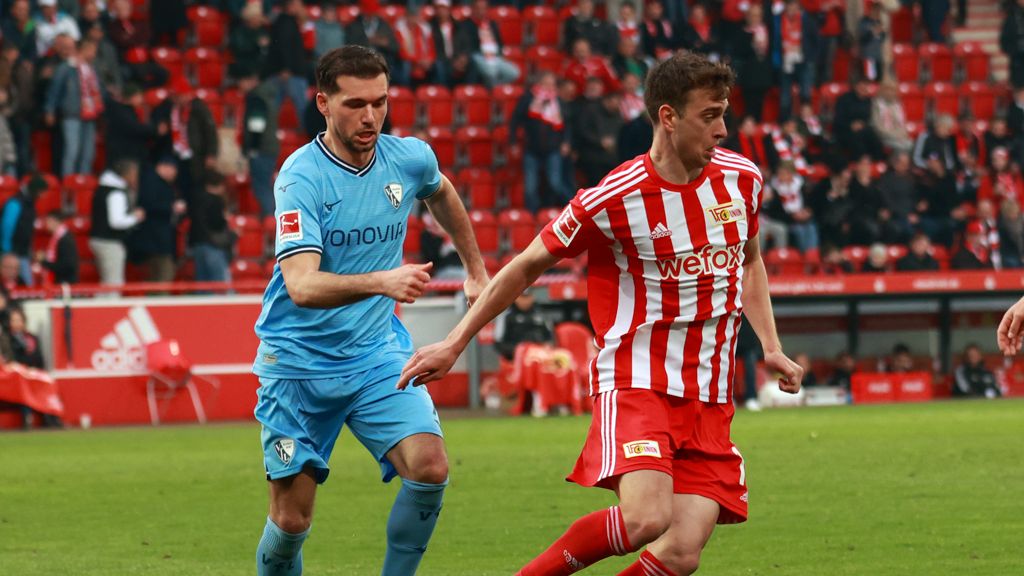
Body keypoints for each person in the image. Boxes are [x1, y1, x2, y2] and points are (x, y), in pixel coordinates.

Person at [398, 51, 803, 576]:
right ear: (668, 116)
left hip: (708, 394)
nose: (723, 130)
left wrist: (770, 345)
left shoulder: (742, 180)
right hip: (638, 382)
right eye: (710, 116)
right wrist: (455, 343)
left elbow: (748, 262)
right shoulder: (616, 196)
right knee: (646, 517)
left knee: (682, 553)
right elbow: (525, 266)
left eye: (725, 114)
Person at [251, 45, 488, 576]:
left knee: (429, 466)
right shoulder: (300, 178)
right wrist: (383, 280)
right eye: (355, 104)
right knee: (290, 523)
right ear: (323, 104)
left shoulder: (408, 157)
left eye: (380, 102)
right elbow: (303, 286)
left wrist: (475, 267)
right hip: (297, 367)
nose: (370, 116)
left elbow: (441, 190)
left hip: (375, 356)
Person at [509, 71, 573, 214]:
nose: (549, 87)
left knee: (555, 183)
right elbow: (515, 120)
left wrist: (566, 142)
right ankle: (531, 216)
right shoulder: (528, 99)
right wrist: (512, 141)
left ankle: (572, 207)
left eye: (551, 84)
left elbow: (566, 124)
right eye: (546, 83)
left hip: (553, 148)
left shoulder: (558, 101)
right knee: (530, 186)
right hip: (532, 148)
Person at [45, 38, 103, 177]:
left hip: (90, 115)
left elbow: (98, 90)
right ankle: (68, 183)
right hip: (72, 114)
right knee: (72, 151)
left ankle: (83, 182)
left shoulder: (92, 68)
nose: (94, 54)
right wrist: (49, 110)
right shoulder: (66, 67)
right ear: (84, 50)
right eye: (92, 51)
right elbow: (54, 90)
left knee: (88, 152)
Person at [90, 159, 143, 286]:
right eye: (135, 174)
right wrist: (135, 217)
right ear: (127, 174)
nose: (136, 178)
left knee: (107, 281)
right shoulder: (115, 193)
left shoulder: (102, 188)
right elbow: (116, 222)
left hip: (99, 239)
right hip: (109, 241)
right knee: (114, 283)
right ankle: (109, 305)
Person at [188, 171, 233, 283]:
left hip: (197, 244)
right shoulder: (215, 200)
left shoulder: (195, 199)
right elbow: (217, 223)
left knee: (202, 283)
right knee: (220, 283)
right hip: (213, 245)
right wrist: (224, 218)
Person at [0, 173, 44, 286]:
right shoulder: (15, 202)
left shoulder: (30, 203)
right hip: (12, 252)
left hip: (23, 251)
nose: (43, 195)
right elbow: (7, 226)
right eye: (41, 192)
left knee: (28, 285)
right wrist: (6, 249)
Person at [493, 288, 554, 362]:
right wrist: (520, 351)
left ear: (532, 297)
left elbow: (550, 338)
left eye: (527, 297)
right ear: (515, 298)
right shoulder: (506, 315)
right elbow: (498, 343)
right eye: (522, 297)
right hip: (514, 359)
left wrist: (545, 348)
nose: (525, 301)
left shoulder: (541, 313)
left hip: (540, 357)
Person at [37, 209, 79, 284]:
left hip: (64, 284)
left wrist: (43, 262)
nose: (46, 224)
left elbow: (66, 266)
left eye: (48, 221)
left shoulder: (65, 240)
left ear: (54, 221)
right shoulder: (59, 237)